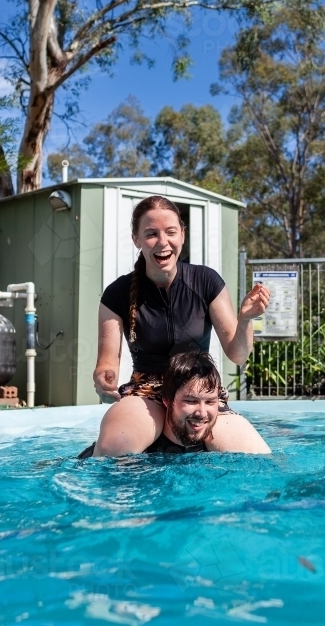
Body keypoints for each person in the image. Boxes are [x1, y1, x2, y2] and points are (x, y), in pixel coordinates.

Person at [88, 195, 270, 457]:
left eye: (170, 232)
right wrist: (104, 380)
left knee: (257, 457)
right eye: (151, 234)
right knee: (114, 448)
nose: (163, 242)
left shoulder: (206, 281)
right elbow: (107, 364)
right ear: (136, 239)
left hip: (198, 393)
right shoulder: (117, 294)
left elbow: (238, 354)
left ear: (182, 235)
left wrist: (245, 320)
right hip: (147, 393)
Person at [80, 352, 270, 456]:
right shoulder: (138, 451)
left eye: (210, 402)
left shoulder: (224, 450)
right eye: (191, 401)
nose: (202, 412)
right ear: (167, 401)